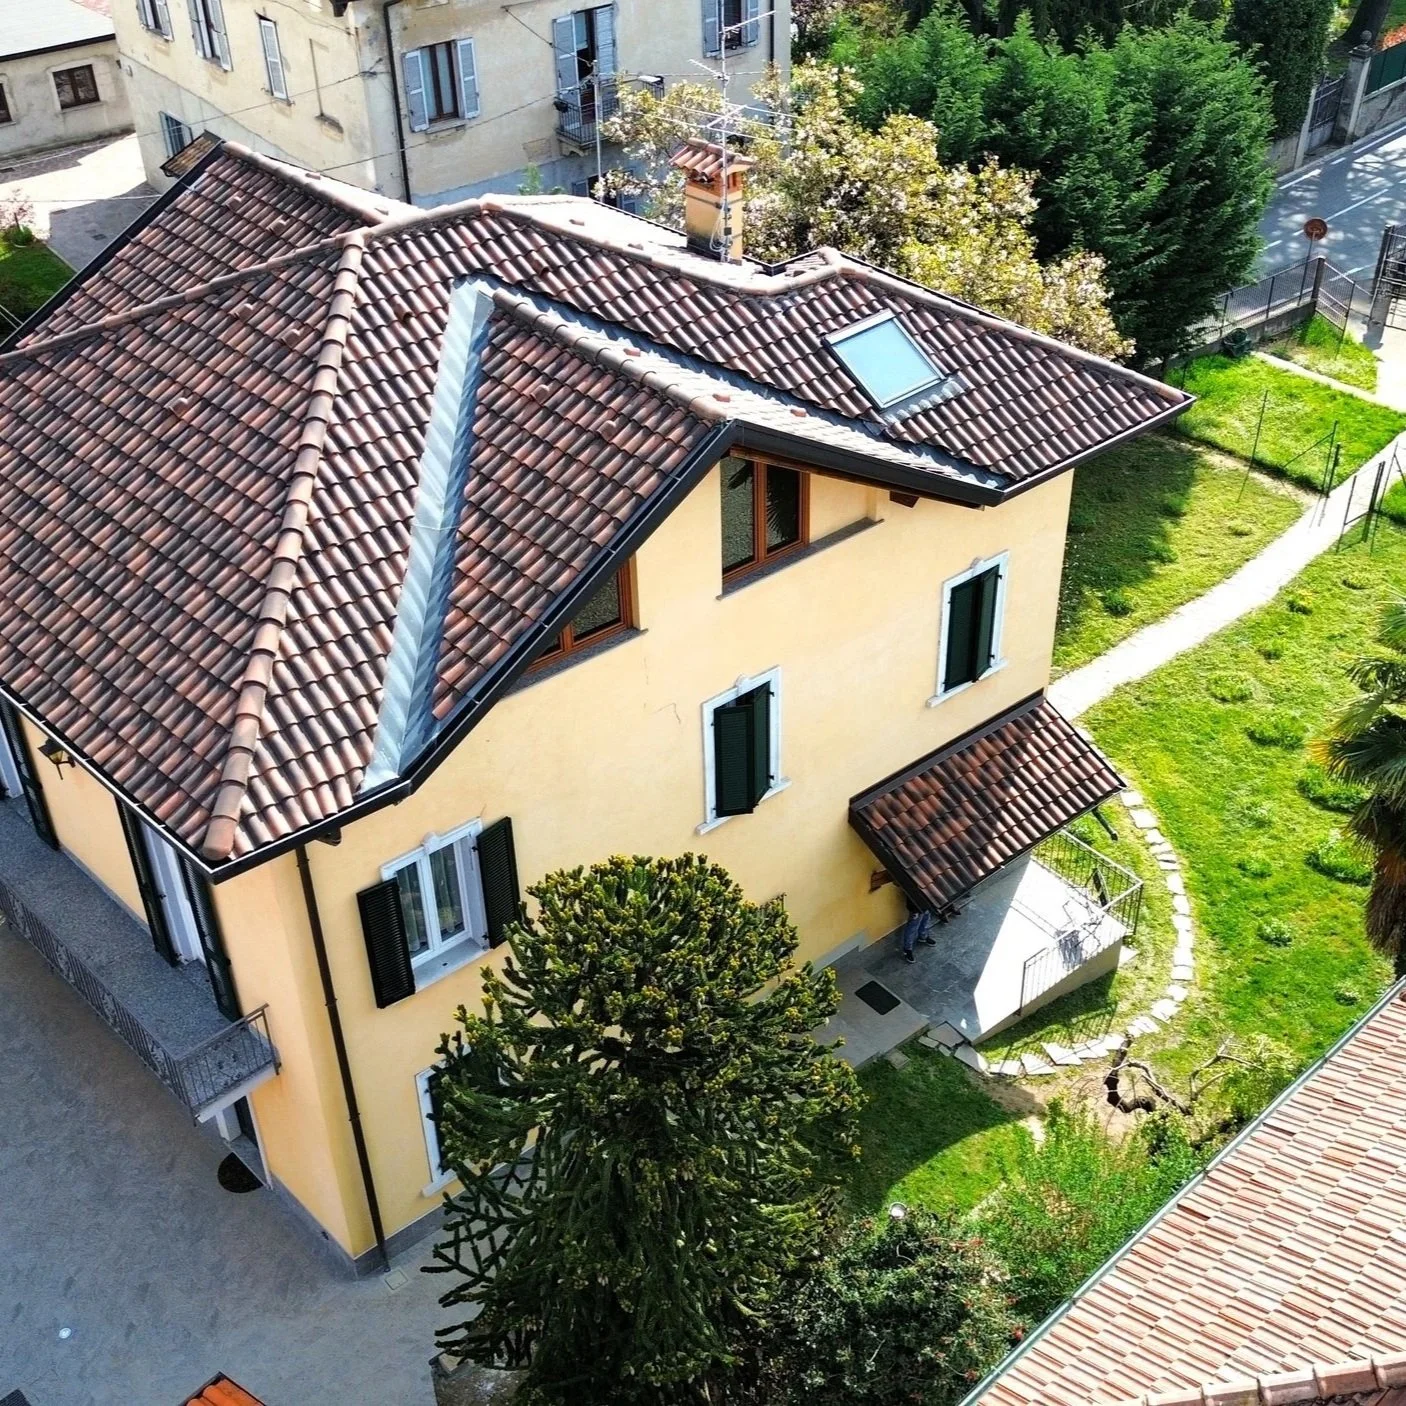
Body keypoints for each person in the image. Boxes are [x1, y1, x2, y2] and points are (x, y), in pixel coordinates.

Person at [901, 894, 937, 963]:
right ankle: (907, 949)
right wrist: (914, 910)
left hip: (925, 901)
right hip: (915, 905)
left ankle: (923, 936)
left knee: (925, 919)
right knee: (912, 927)